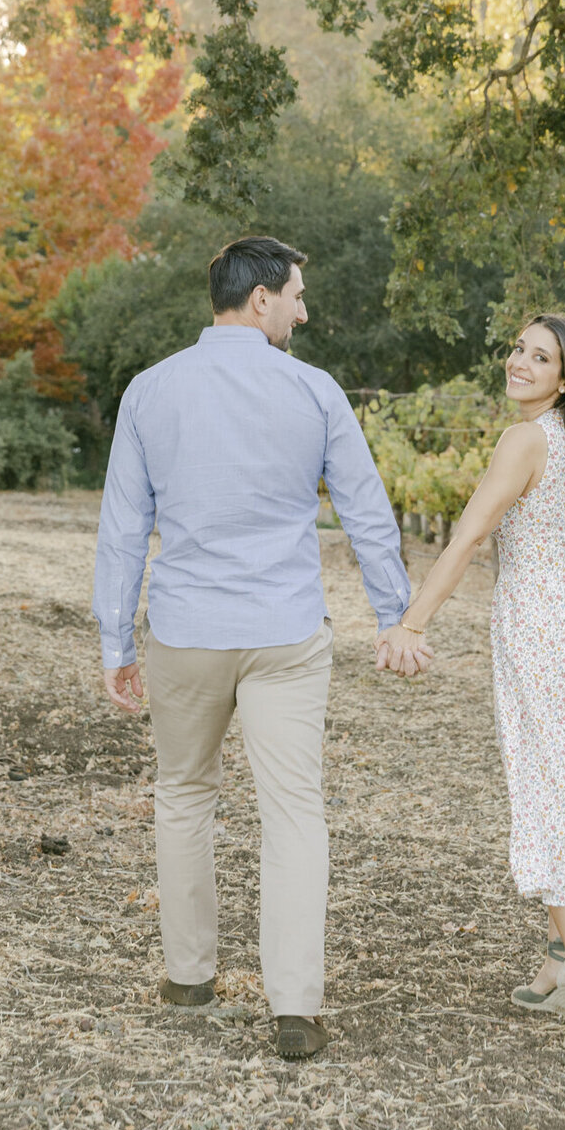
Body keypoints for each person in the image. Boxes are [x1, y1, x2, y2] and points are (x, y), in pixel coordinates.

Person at [92, 237, 425, 1061]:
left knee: (183, 796)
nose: (304, 312)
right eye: (298, 296)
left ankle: (189, 978)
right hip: (283, 631)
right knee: (294, 812)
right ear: (262, 299)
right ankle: (295, 1005)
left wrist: (114, 635)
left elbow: (123, 526)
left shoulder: (150, 390)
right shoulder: (314, 392)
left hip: (185, 631)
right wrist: (396, 614)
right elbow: (365, 510)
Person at [376, 313, 565, 1049]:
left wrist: (412, 623)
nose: (520, 363)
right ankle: (553, 970)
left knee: (549, 798)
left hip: (543, 637)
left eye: (539, 358)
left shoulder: (523, 440)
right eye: (517, 349)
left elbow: (472, 534)